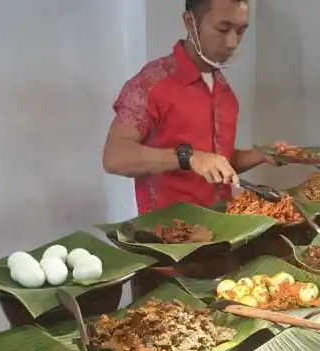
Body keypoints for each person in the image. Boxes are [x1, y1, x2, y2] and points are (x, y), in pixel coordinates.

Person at [102, 0, 281, 213]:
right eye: (223, 29)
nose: (232, 42)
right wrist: (189, 157)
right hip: (166, 238)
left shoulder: (224, 92)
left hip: (222, 230)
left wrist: (261, 154)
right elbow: (115, 157)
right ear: (190, 22)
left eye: (240, 31)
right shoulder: (151, 83)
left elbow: (217, 160)